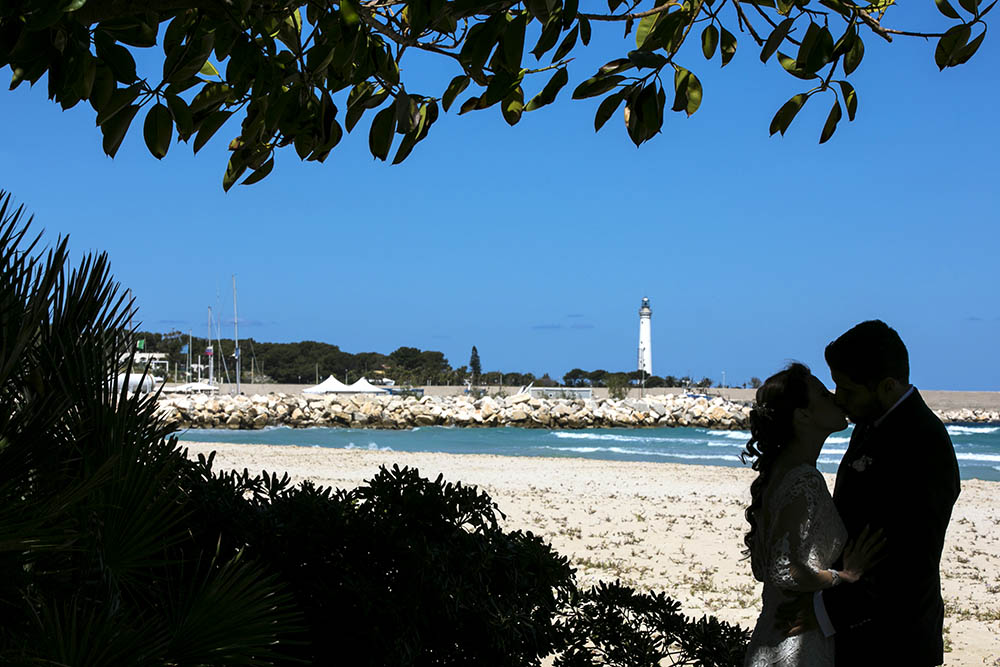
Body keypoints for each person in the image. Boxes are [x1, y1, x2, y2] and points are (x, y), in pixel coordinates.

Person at [804, 320, 960, 665]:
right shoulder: (872, 420)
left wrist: (822, 613)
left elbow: (910, 563)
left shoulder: (924, 443)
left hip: (892, 640)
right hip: (856, 633)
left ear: (887, 386)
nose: (839, 400)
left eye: (848, 390)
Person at [742, 362, 883, 667]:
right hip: (796, 643)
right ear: (803, 415)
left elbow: (760, 566)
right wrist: (842, 577)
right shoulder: (804, 480)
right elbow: (782, 568)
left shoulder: (777, 475)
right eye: (822, 394)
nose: (834, 398)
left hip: (772, 633)